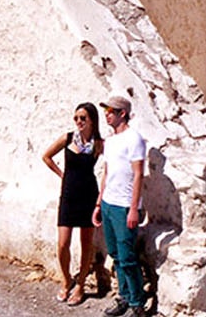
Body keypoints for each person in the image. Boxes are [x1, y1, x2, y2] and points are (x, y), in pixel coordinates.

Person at [42, 102, 106, 306]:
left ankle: (80, 285)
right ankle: (66, 280)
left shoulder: (99, 144)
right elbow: (46, 156)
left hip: (88, 195)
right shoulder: (68, 138)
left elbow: (112, 165)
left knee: (86, 243)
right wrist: (62, 175)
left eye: (83, 118)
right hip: (69, 195)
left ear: (92, 120)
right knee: (63, 243)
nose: (79, 121)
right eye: (76, 117)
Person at [92, 94, 147, 317]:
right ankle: (124, 297)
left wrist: (133, 209)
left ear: (122, 113)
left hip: (124, 206)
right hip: (108, 203)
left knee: (127, 257)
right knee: (115, 254)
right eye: (106, 111)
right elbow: (106, 173)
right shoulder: (111, 141)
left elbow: (138, 174)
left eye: (110, 111)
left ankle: (137, 303)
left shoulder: (134, 139)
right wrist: (99, 204)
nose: (106, 115)